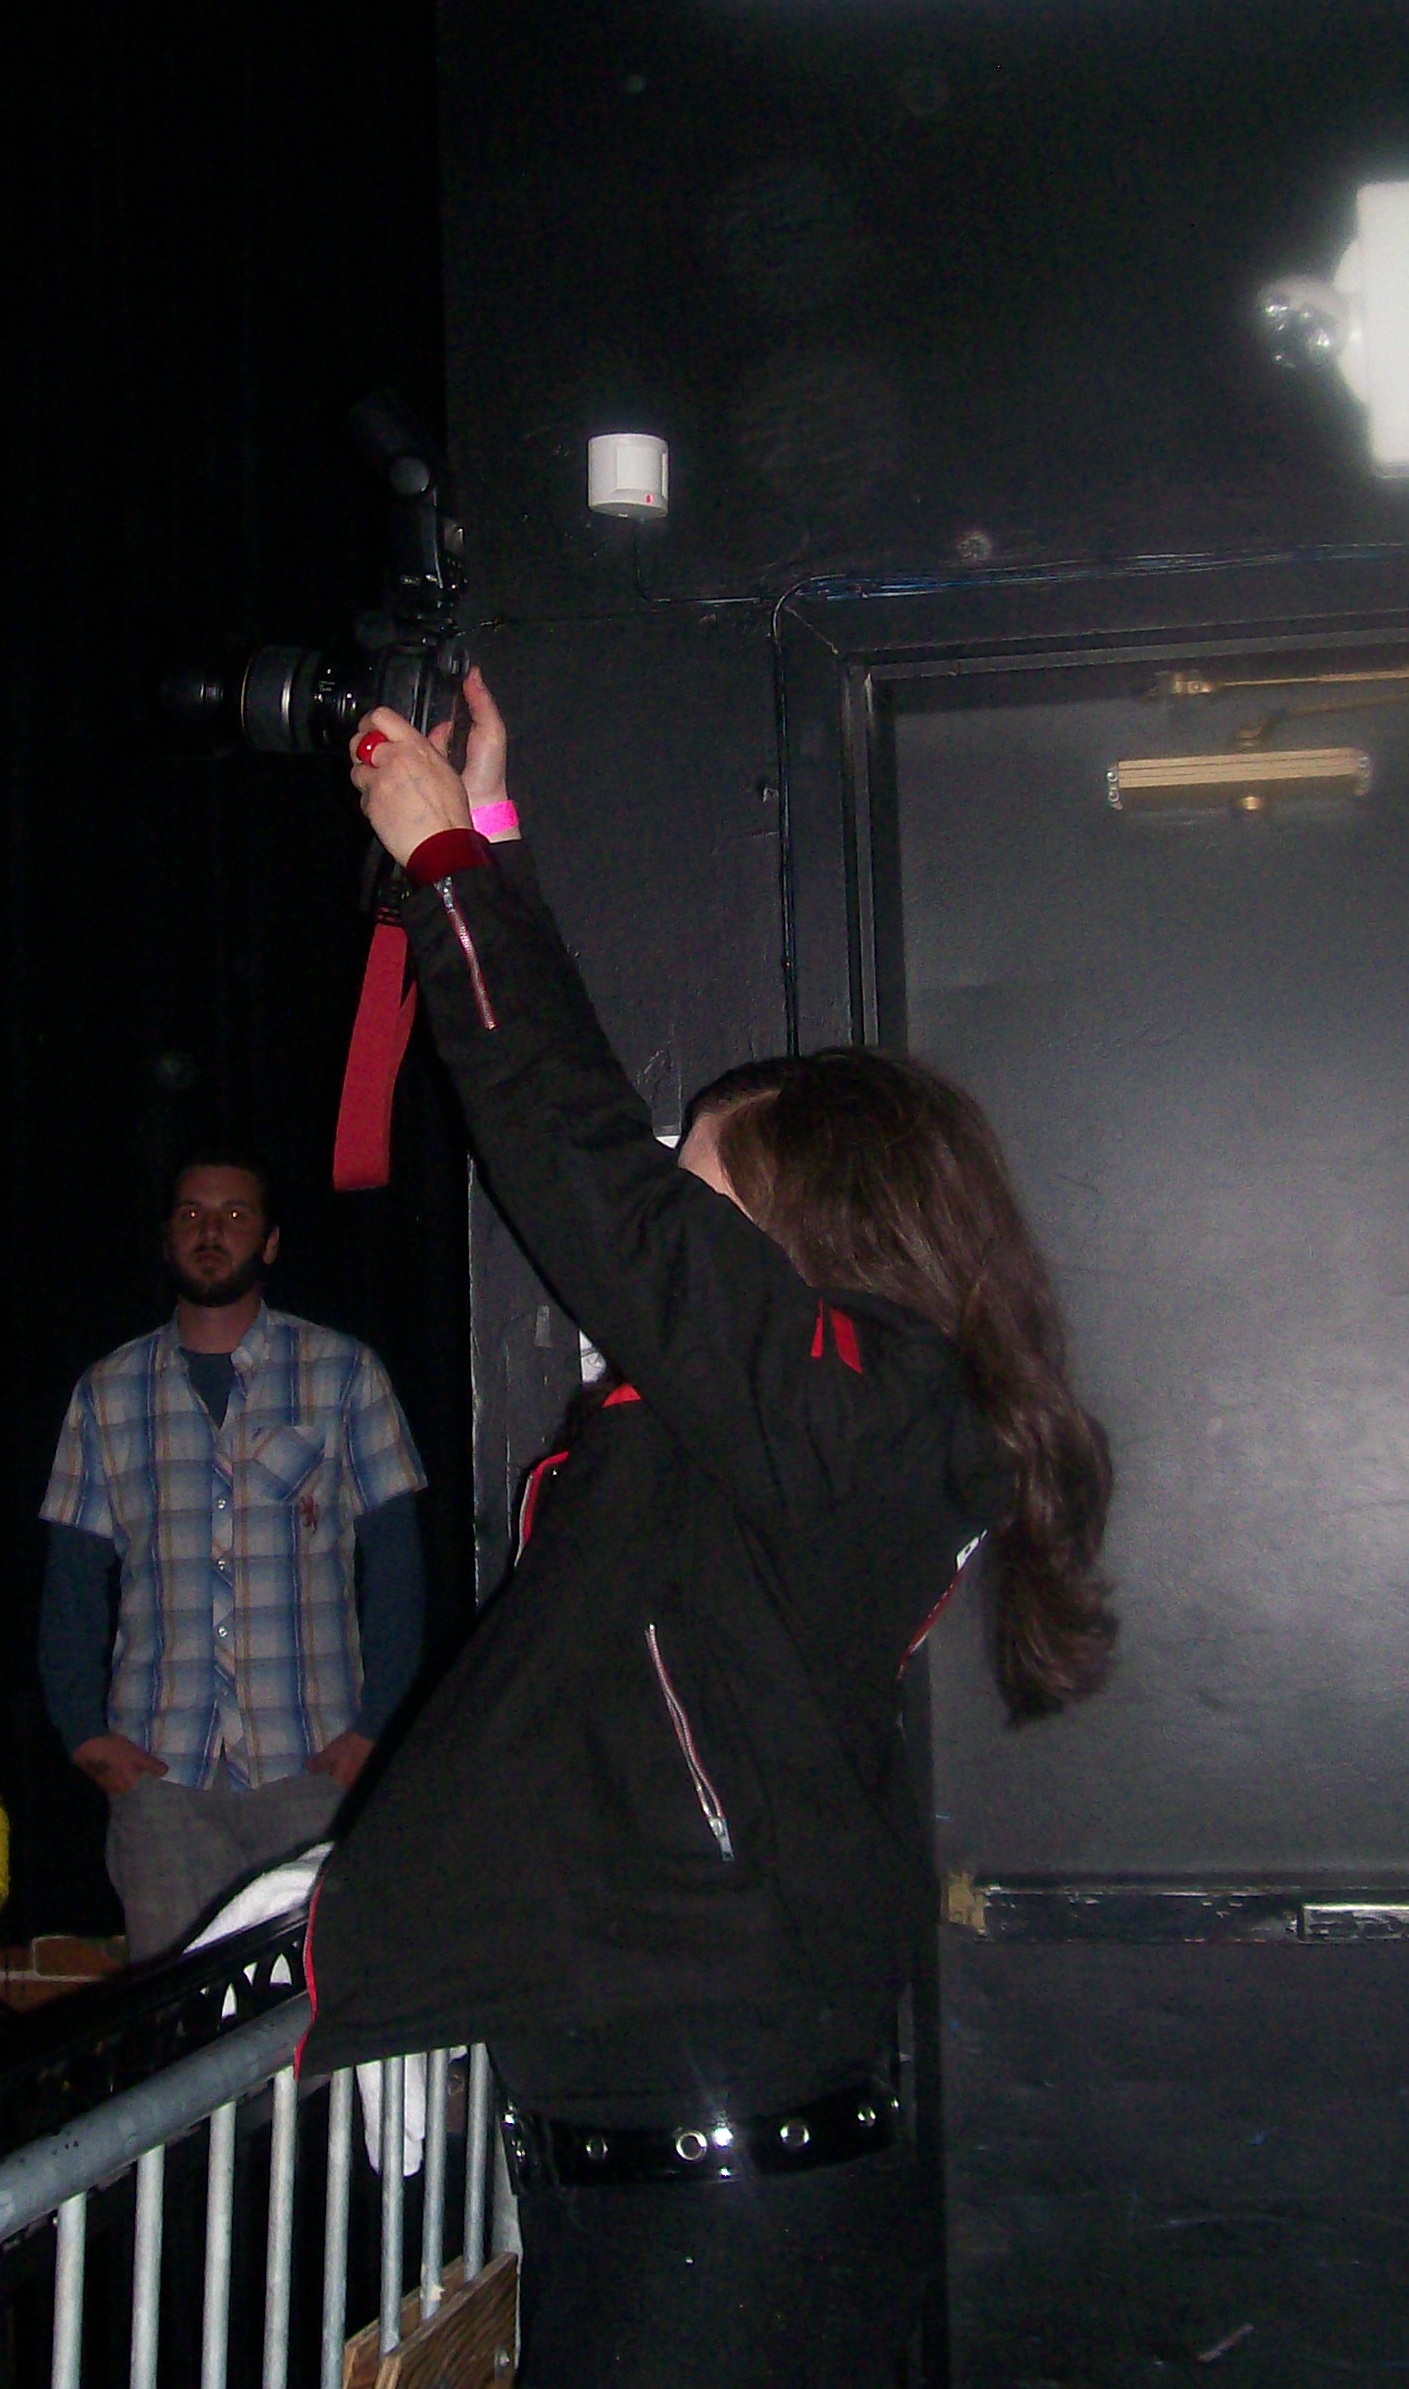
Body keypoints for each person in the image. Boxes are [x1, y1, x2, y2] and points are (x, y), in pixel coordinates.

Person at [301, 673, 1114, 2389]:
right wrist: (489, 842)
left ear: (810, 1234)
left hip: (719, 2219)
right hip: (696, 2186)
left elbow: (591, 1180)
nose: (669, 1193)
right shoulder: (814, 1426)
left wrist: (448, 872)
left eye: (704, 1178)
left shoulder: (864, 1415)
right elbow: (618, 1193)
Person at [38, 1151, 428, 1961]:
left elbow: (395, 1565)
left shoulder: (344, 1375)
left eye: (235, 1215)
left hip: (309, 1769)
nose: (211, 1231)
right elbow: (72, 1578)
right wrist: (84, 1732)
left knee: (308, 2012)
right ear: (166, 1238)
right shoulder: (107, 1393)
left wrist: (374, 1728)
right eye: (191, 1214)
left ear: (271, 1242)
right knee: (174, 2016)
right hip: (161, 1782)